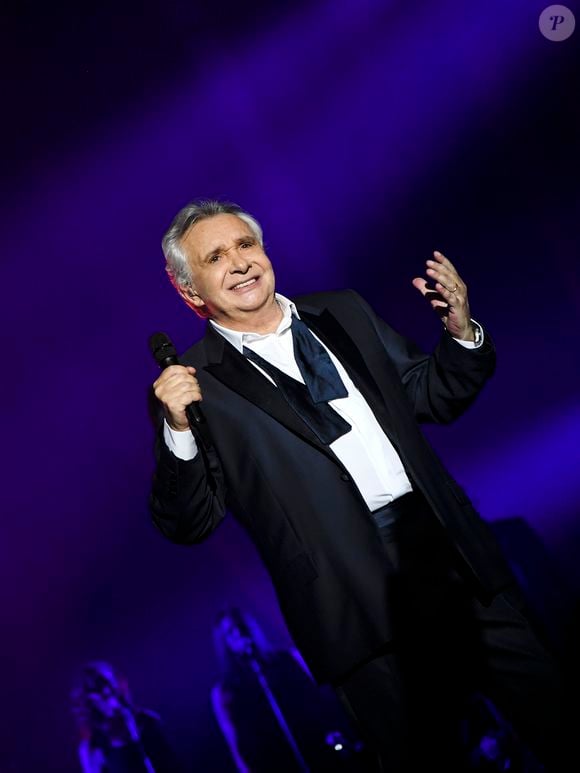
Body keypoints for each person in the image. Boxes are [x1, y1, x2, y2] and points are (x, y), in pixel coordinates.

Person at [149, 200, 565, 771]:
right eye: (216, 257)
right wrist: (177, 429)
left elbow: (431, 393)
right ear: (189, 290)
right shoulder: (195, 387)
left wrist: (460, 330)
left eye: (246, 245)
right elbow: (188, 520)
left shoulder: (341, 312)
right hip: (353, 603)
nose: (240, 263)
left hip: (450, 557)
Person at [210, 606, 366, 772]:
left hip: (319, 751)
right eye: (231, 631)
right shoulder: (225, 691)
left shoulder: (289, 659)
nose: (240, 634)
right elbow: (235, 745)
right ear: (224, 642)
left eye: (243, 626)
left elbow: (323, 700)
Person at [71, 661, 181, 772]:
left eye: (108, 682)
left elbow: (171, 765)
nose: (106, 690)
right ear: (89, 699)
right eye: (97, 687)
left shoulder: (147, 721)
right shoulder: (92, 746)